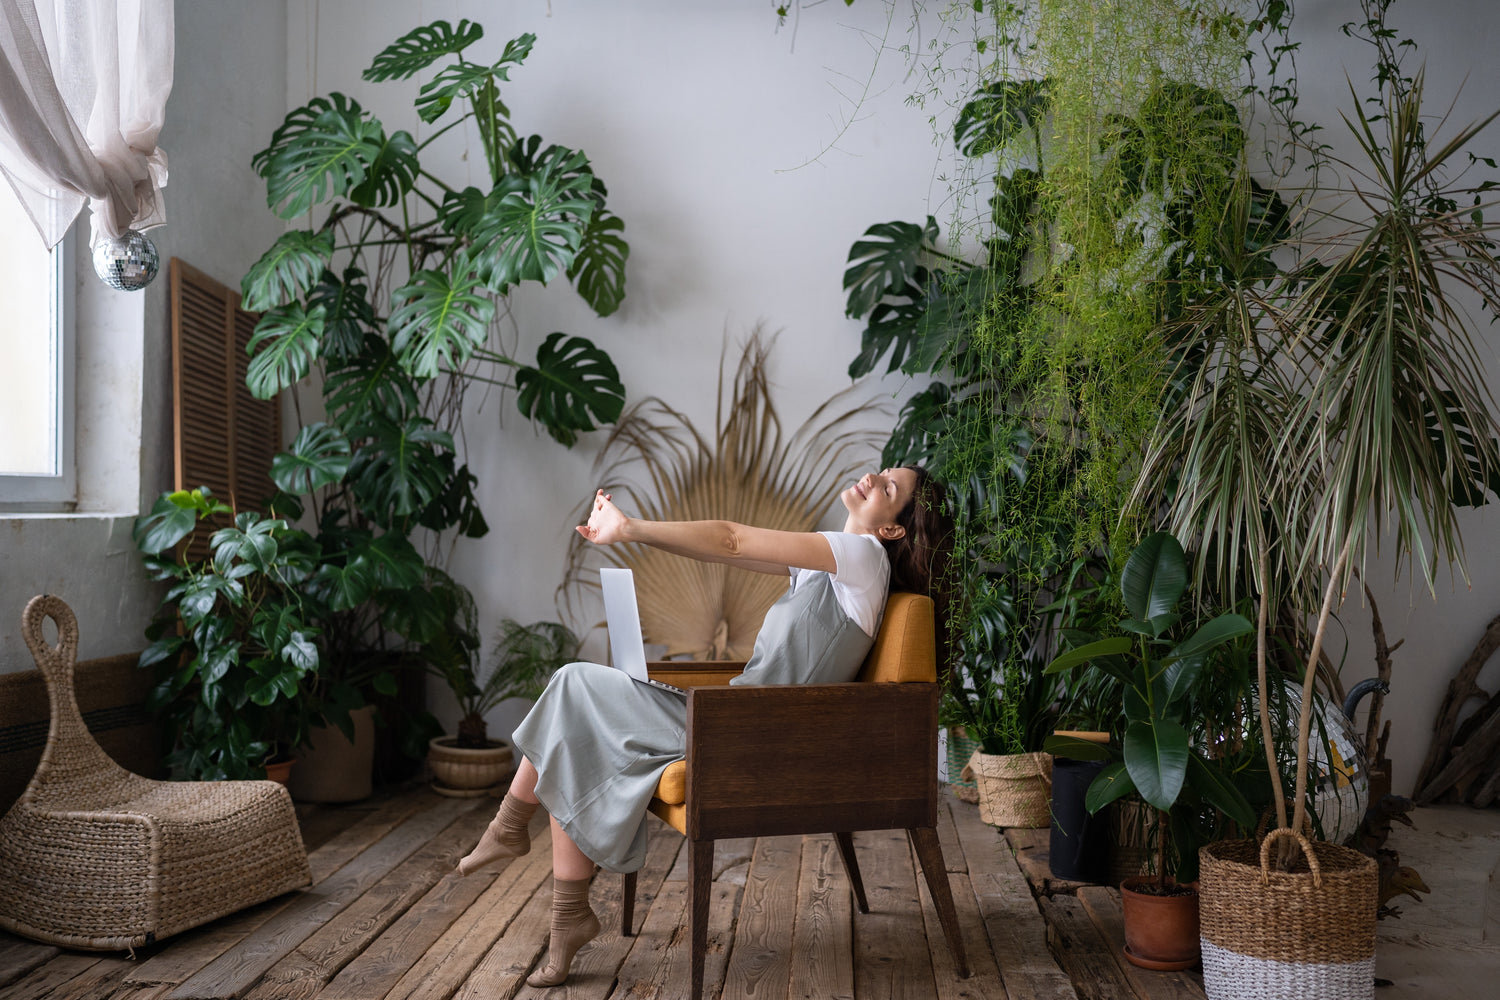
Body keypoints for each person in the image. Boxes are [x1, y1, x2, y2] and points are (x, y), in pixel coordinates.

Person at [455, 466, 951, 988]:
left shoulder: (862, 558)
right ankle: (560, 906)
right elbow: (721, 550)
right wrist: (634, 532)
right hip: (737, 720)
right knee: (574, 712)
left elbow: (732, 537)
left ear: (892, 530)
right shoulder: (831, 567)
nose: (872, 477)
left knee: (572, 686)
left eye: (889, 488)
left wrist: (631, 530)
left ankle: (514, 833)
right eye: (881, 470)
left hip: (744, 734)